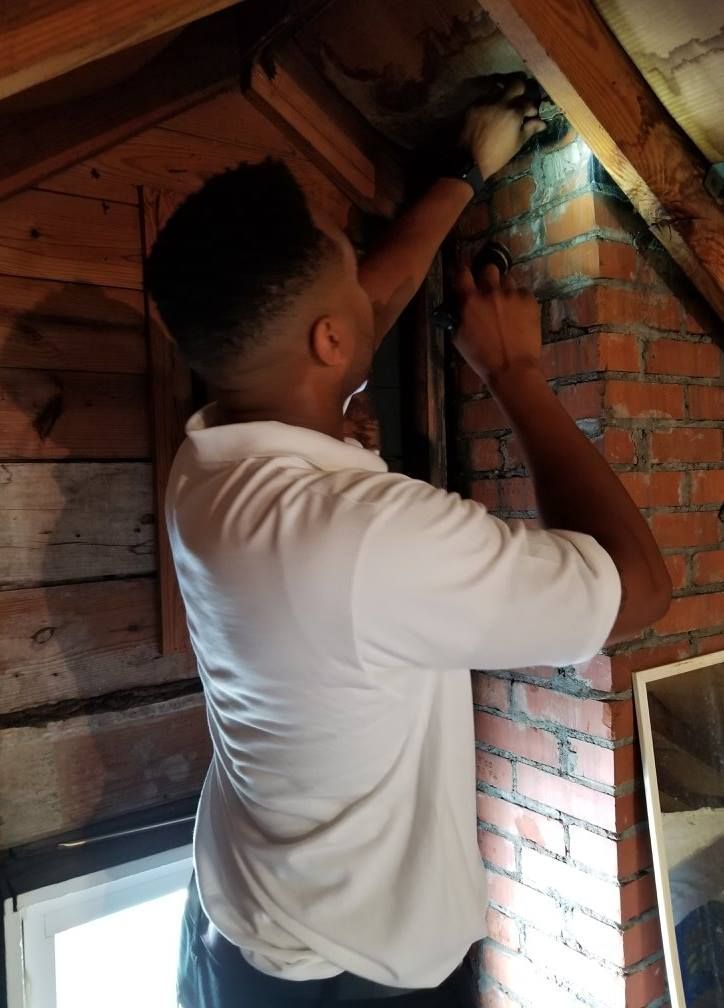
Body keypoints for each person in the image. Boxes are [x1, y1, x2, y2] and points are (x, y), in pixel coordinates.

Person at [145, 78, 671, 1007]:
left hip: (238, 927)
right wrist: (515, 372)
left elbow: (357, 313)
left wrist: (465, 173)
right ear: (327, 339)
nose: (369, 280)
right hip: (351, 982)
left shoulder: (207, 456)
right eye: (349, 271)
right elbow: (639, 588)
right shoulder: (360, 540)